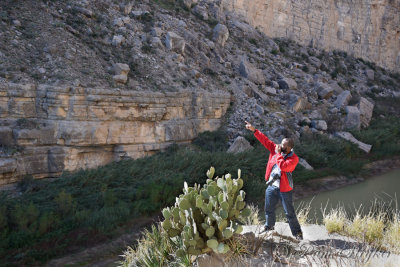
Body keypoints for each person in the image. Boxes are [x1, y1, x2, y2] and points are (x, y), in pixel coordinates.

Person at [245, 120, 303, 240]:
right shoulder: (276, 149)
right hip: (272, 186)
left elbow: (284, 167)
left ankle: (297, 234)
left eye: (283, 145)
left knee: (289, 212)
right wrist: (254, 130)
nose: (280, 146)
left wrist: (279, 155)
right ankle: (269, 226)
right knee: (268, 208)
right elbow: (265, 140)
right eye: (281, 143)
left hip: (284, 189)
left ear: (289, 148)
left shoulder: (294, 159)